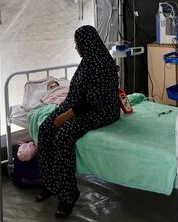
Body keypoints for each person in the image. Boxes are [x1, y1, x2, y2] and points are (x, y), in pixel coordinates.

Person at [36, 25, 120, 218]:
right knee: (45, 129)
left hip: (99, 110)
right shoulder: (88, 60)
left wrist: (65, 116)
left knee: (63, 136)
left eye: (77, 43)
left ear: (86, 43)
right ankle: (50, 184)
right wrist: (62, 111)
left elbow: (91, 101)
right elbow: (78, 93)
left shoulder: (101, 63)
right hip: (76, 105)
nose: (76, 47)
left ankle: (68, 194)